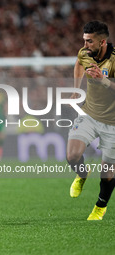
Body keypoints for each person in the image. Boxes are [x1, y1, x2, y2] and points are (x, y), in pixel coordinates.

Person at [67, 20, 115, 220]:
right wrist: (77, 88)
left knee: (108, 173)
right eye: (84, 40)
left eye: (90, 42)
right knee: (72, 156)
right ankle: (82, 174)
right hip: (89, 114)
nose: (85, 45)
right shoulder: (84, 54)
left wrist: (103, 81)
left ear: (102, 42)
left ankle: (100, 207)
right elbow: (79, 63)